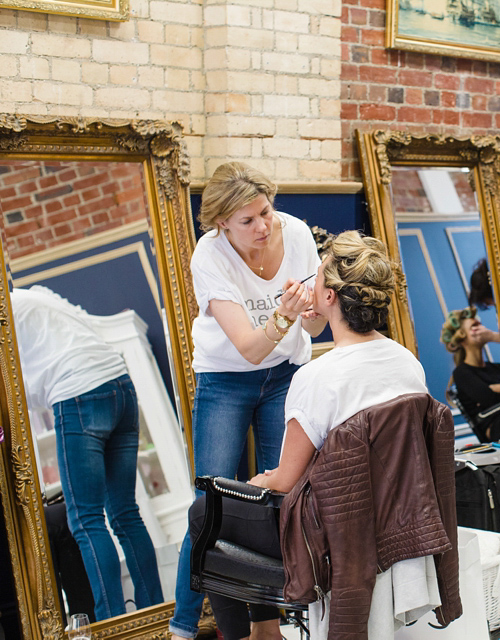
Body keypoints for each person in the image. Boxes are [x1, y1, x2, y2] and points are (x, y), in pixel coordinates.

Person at [187, 231, 448, 640]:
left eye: (318, 277)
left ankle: (255, 635)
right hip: (395, 520)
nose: (310, 285)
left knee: (207, 511)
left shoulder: (316, 378)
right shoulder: (406, 363)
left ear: (329, 298)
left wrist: (258, 481)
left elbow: (286, 482)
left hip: (334, 535)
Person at [170, 162, 327, 640]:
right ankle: (182, 627)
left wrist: (307, 310)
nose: (263, 226)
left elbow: (318, 328)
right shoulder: (209, 256)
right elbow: (249, 347)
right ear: (223, 224)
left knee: (278, 496)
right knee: (209, 503)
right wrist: (283, 316)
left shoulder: (296, 234)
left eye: (266, 211)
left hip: (285, 377)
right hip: (227, 380)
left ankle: (267, 625)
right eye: (247, 220)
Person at [11, 287, 163, 621]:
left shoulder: (7, 312)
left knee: (85, 519)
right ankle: (154, 614)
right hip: (119, 384)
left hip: (78, 393)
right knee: (125, 513)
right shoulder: (34, 295)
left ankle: (111, 623)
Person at [441, 307, 500, 442]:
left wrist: (495, 337)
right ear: (462, 337)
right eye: (474, 326)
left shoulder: (496, 367)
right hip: (497, 428)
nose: (481, 328)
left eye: (480, 324)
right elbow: (489, 397)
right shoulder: (462, 373)